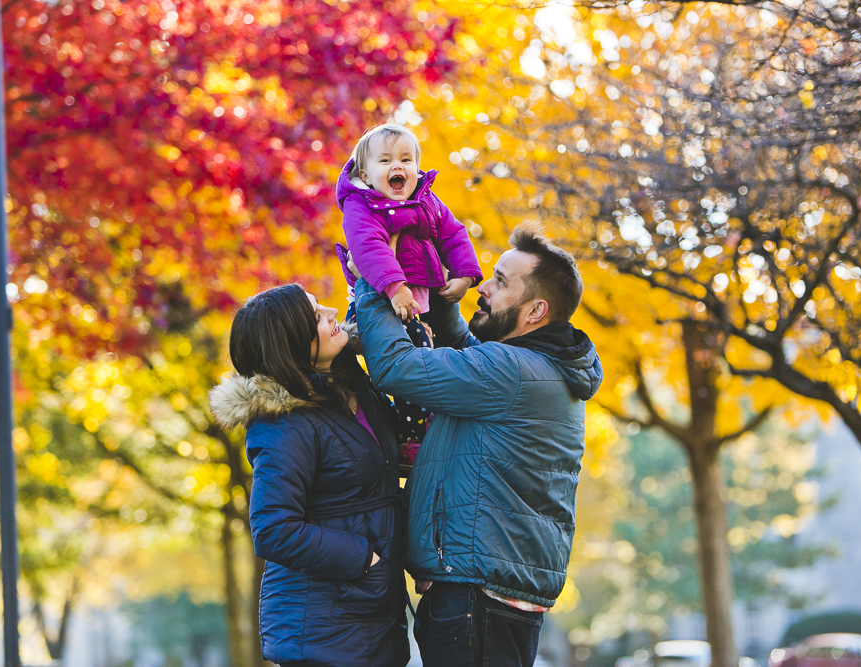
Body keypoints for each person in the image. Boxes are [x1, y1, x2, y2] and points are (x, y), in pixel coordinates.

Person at [352, 222, 603, 667]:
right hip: (486, 594)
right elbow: (467, 353)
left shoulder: (513, 372)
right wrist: (443, 298)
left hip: (478, 597)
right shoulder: (536, 367)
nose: (482, 287)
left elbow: (396, 366)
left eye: (501, 283)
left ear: (534, 311)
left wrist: (375, 284)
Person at [208, 284, 409, 667]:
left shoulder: (347, 384)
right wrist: (364, 558)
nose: (332, 313)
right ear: (290, 343)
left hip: (372, 609)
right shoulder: (283, 424)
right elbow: (273, 528)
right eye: (316, 316)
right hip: (322, 625)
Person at [335, 122, 482, 467]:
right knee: (411, 358)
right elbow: (369, 248)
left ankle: (414, 429)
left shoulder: (427, 199)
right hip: (385, 301)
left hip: (420, 302)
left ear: (417, 168)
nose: (397, 167)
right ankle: (414, 433)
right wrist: (396, 288)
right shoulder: (363, 205)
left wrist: (465, 274)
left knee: (430, 352)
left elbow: (453, 234)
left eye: (405, 159)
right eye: (385, 161)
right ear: (366, 174)